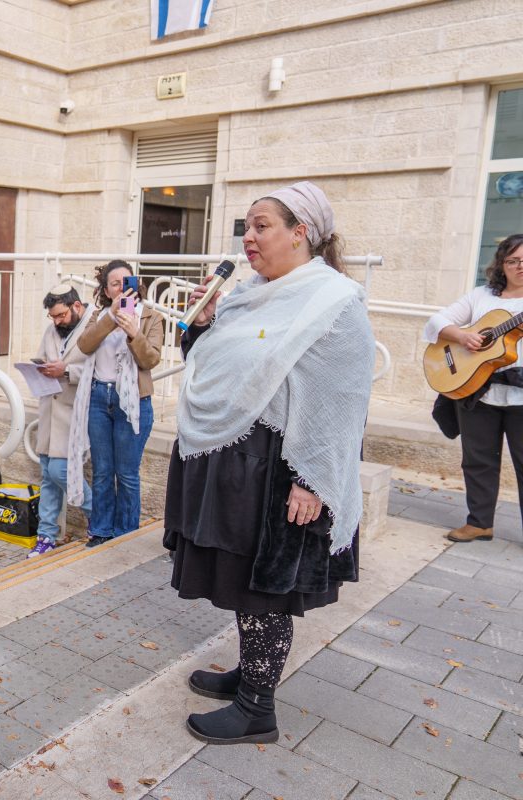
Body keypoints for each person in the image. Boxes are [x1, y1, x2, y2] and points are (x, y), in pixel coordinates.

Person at [166, 181, 373, 746]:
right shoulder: (248, 293)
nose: (249, 238)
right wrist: (204, 327)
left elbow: (343, 397)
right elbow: (218, 367)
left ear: (300, 232)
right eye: (247, 227)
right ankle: (249, 674)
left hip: (283, 469)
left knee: (264, 586)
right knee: (239, 578)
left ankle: (258, 709)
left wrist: (313, 480)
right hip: (236, 460)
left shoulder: (333, 299)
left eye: (262, 226)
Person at [423, 233, 523, 543]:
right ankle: (480, 522)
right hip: (478, 390)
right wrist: (463, 337)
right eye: (513, 261)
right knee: (478, 458)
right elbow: (437, 322)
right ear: (501, 265)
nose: (520, 266)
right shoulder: (481, 296)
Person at [71, 260, 163, 547]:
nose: (122, 288)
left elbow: (150, 360)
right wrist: (111, 318)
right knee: (102, 471)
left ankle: (126, 535)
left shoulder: (150, 317)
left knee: (126, 474)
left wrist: (134, 332)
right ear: (107, 290)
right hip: (99, 398)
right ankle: (100, 531)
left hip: (133, 401)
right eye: (114, 283)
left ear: (136, 285)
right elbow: (84, 345)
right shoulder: (98, 316)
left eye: (127, 282)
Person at [28, 284, 93, 558]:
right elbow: (44, 356)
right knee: (47, 476)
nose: (56, 321)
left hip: (75, 411)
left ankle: (98, 517)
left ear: (76, 307)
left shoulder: (93, 326)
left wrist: (66, 371)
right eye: (52, 317)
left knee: (61, 472)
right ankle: (46, 535)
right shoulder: (53, 329)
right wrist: (40, 367)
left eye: (61, 316)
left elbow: (98, 368)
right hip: (50, 410)